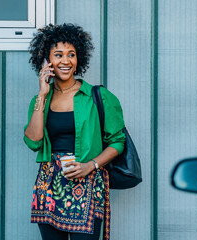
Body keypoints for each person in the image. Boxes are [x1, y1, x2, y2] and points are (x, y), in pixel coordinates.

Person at [24, 23, 126, 240]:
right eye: (58, 55)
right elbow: (33, 141)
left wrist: (91, 165)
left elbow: (118, 142)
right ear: (47, 59)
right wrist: (42, 94)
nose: (65, 61)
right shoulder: (40, 100)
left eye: (71, 54)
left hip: (87, 182)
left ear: (79, 59)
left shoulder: (99, 96)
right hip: (49, 186)